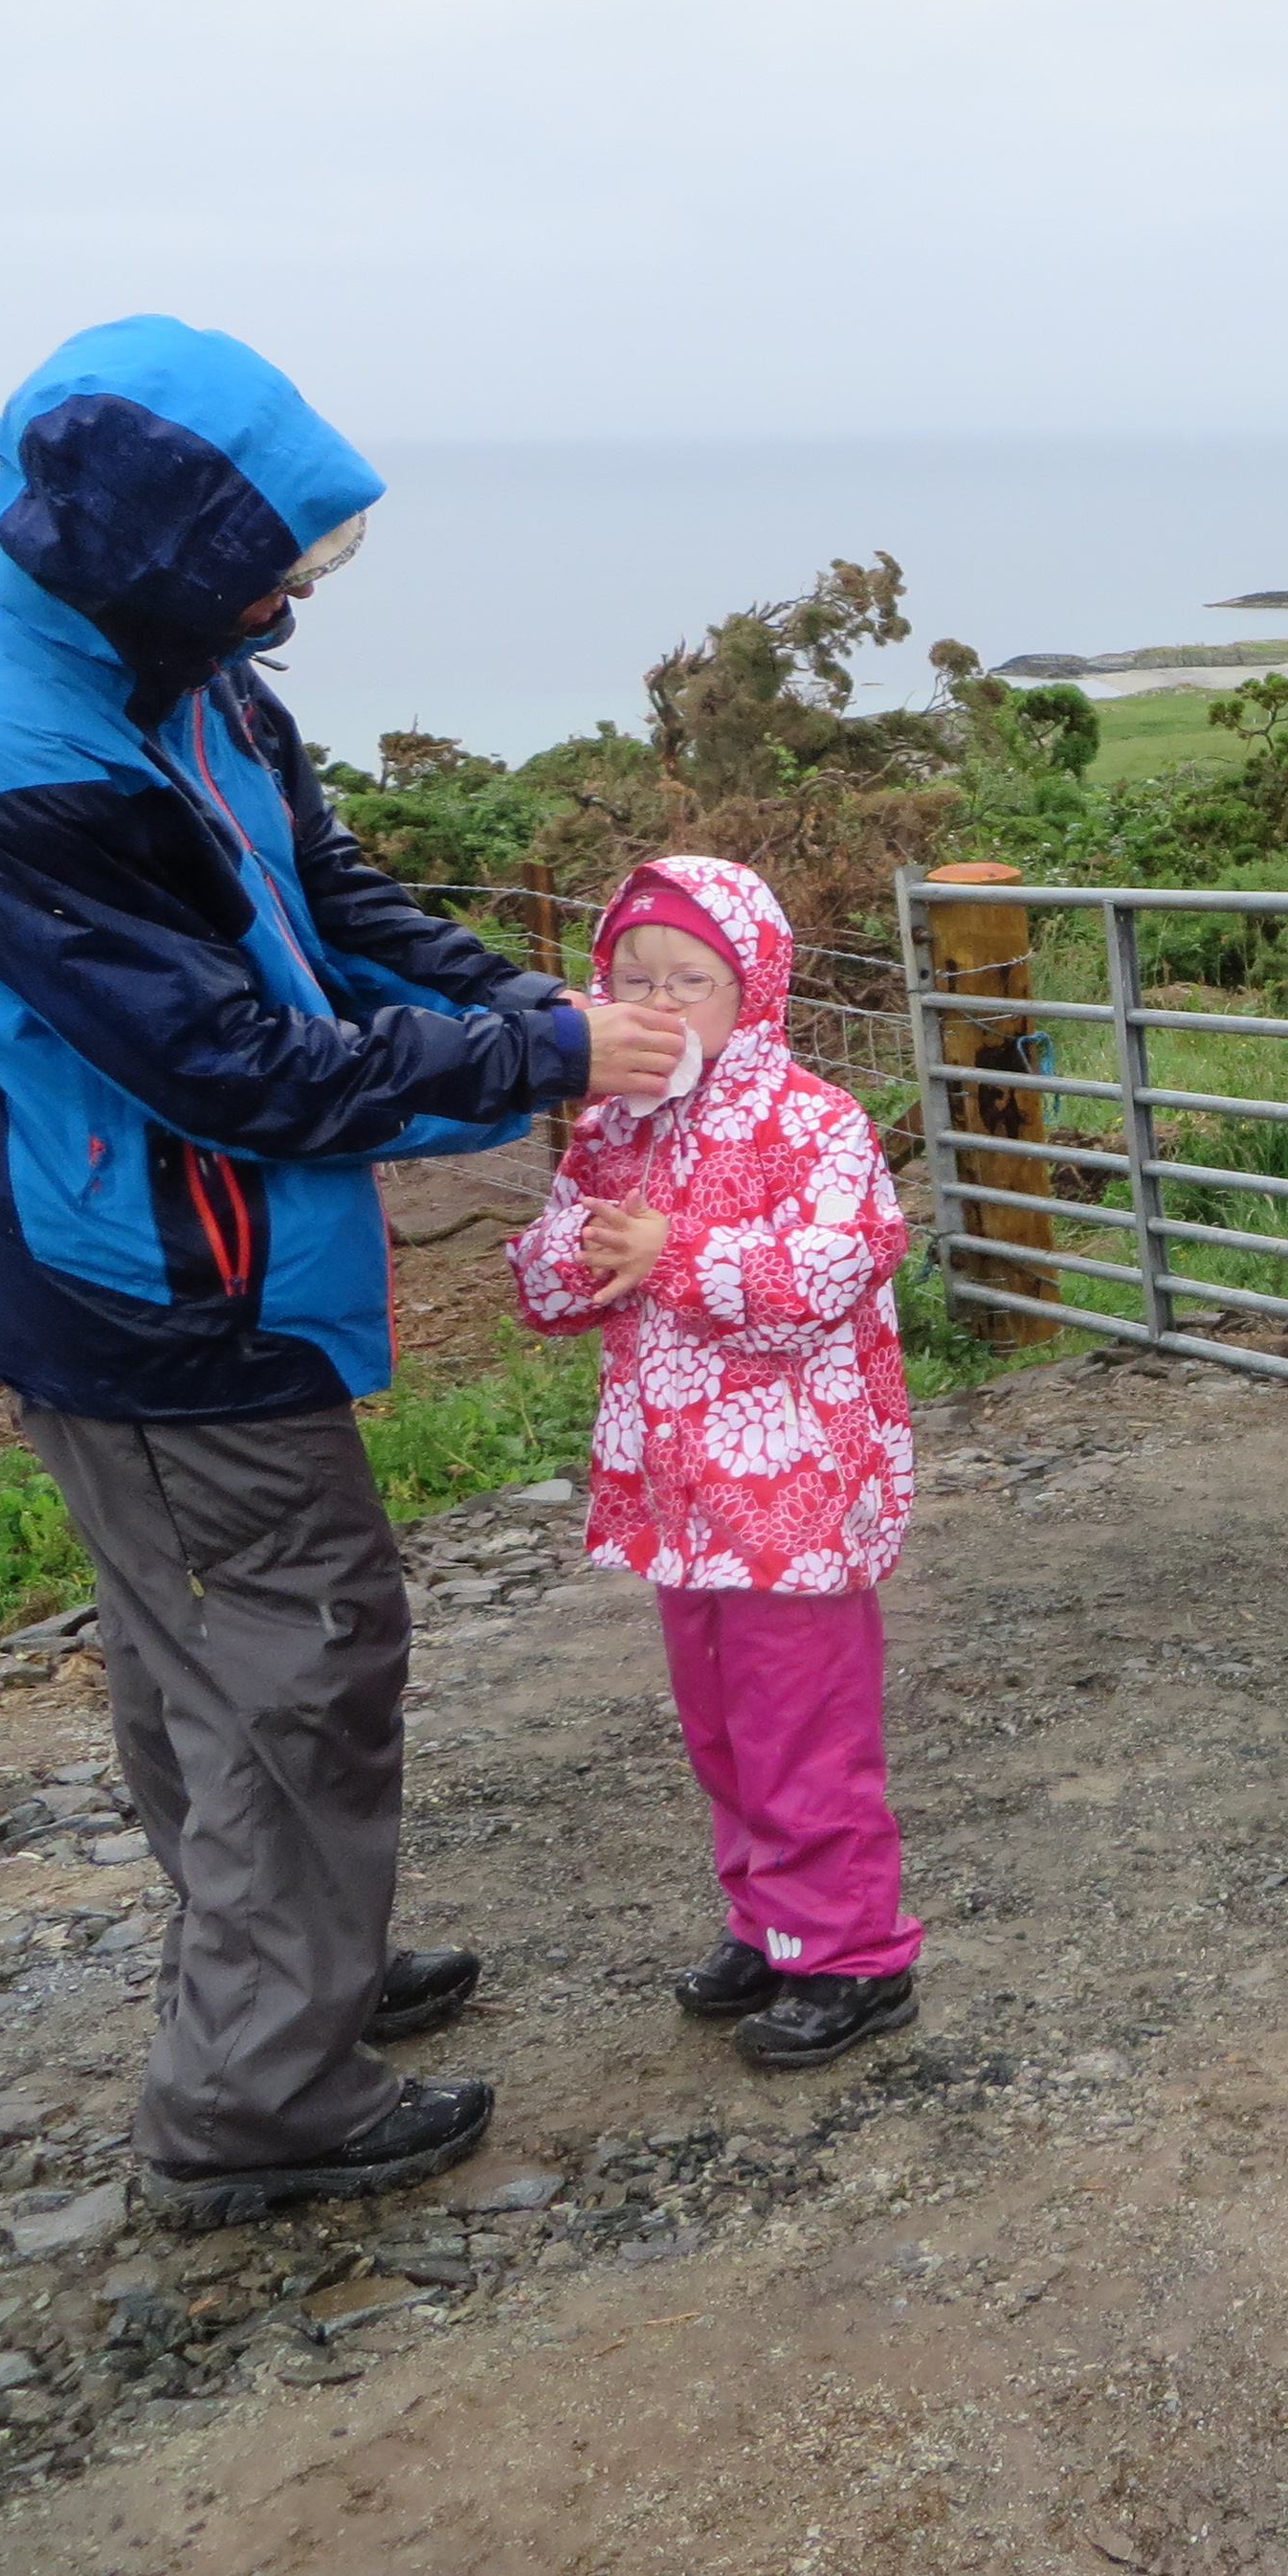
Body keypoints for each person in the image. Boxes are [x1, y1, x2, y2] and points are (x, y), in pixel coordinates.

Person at [0, 317, 690, 2228]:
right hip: (144, 1276)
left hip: (144, 1239)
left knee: (207, 1650)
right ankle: (256, 2094)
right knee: (297, 1648)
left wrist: (524, 1006)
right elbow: (231, 1064)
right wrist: (538, 1062)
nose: (291, 600)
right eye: (271, 564)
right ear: (162, 554)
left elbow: (321, 897)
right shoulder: (5, 749)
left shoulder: (170, 661)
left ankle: (289, 1967)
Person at [508, 855, 923, 2066]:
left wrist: (675, 1252)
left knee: (803, 1729)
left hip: (796, 1492)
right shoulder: (612, 1127)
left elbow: (832, 1271)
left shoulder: (815, 1121)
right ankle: (769, 1922)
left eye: (690, 979)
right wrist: (579, 1254)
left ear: (755, 987)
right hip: (679, 1492)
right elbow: (551, 1281)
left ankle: (850, 1954)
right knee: (723, 1728)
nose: (661, 1003)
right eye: (632, 980)